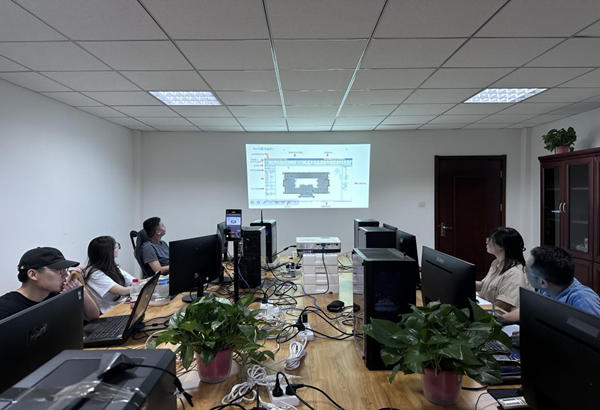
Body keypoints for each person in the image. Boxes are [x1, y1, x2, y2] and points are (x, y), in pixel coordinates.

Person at [499, 245, 600, 326]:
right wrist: (502, 319)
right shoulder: (549, 289)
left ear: (543, 283)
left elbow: (592, 340)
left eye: (526, 270)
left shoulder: (583, 301)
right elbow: (530, 308)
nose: (524, 272)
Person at [0, 247, 100, 321]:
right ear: (33, 274)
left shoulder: (54, 296)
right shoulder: (6, 308)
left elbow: (93, 318)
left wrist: (82, 291)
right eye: (58, 269)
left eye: (64, 269)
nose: (65, 274)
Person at [476, 227, 532, 312]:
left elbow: (502, 306)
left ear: (501, 246)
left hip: (500, 317)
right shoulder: (497, 264)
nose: (487, 241)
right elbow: (486, 286)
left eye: (491, 239)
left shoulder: (514, 273)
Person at [83, 236, 136, 314]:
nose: (118, 249)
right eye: (115, 247)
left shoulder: (111, 266)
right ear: (107, 252)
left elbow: (134, 281)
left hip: (122, 304)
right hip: (111, 311)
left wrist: (148, 281)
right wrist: (143, 285)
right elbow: (123, 291)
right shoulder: (94, 274)